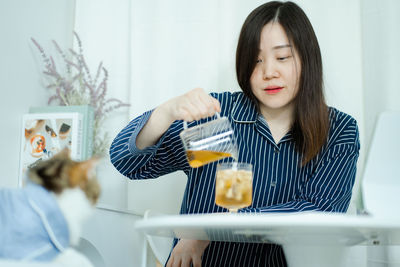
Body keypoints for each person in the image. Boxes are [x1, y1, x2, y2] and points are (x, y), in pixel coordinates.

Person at [110, 1, 360, 266]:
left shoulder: (337, 130)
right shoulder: (221, 121)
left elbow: (319, 212)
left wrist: (211, 228)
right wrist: (166, 112)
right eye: (256, 60)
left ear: (307, 58)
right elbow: (129, 164)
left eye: (283, 57)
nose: (268, 72)